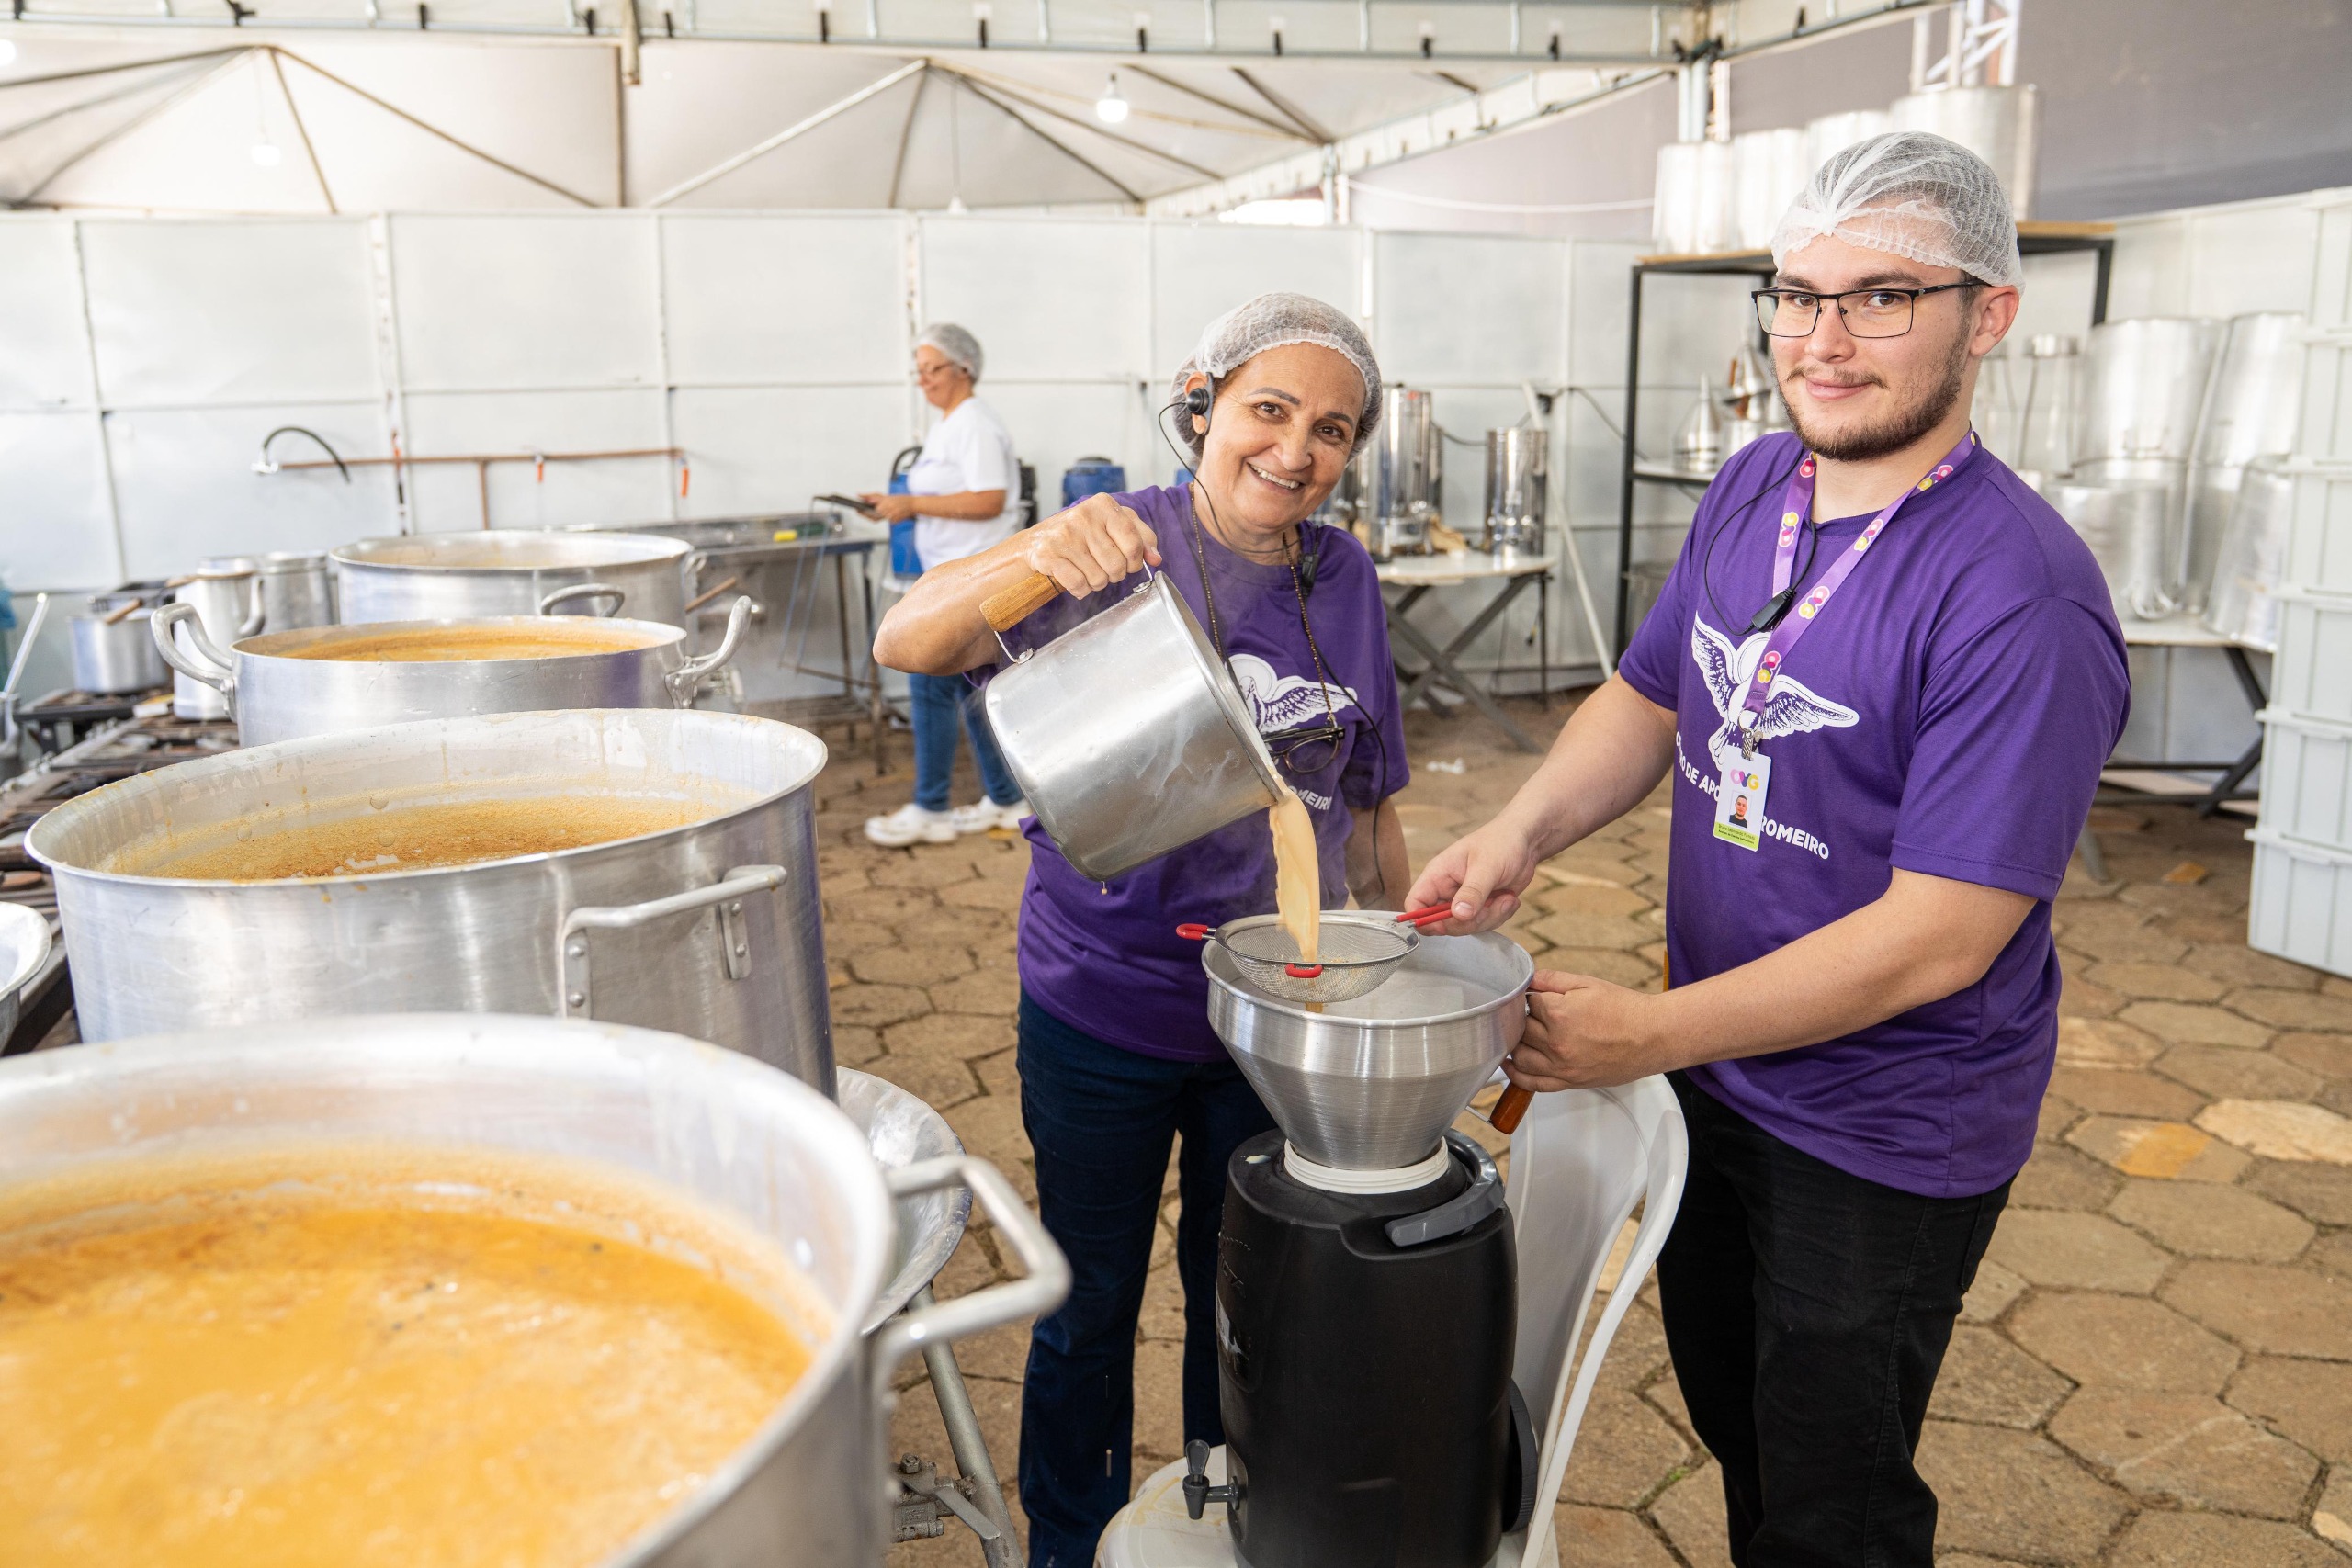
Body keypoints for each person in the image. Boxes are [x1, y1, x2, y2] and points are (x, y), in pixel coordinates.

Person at [1408, 134, 2129, 1566]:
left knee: (1833, 1503)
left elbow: (1941, 934)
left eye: (1882, 297)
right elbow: (1655, 689)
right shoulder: (1758, 484)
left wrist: (1646, 1032)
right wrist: (1520, 828)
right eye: (1796, 294)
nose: (1824, 339)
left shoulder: (2019, 597)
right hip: (1720, 1074)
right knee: (1746, 1434)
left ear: (1989, 313)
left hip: (1879, 1130)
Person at [872, 293, 1411, 1568]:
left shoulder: (1345, 579)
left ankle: (1221, 1514)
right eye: (1268, 410)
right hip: (1099, 1003)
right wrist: (1037, 553)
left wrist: (1398, 959)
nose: (1295, 451)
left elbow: (1372, 802)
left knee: (1246, 1294)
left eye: (1331, 430)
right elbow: (908, 635)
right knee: (1088, 1290)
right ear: (1202, 400)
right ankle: (1071, 1536)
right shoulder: (1119, 539)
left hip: (1273, 1009)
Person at [863, 322, 1031, 847]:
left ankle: (931, 808)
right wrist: (898, 504)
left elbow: (989, 500)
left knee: (929, 686)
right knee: (968, 691)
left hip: (973, 578)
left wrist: (912, 504)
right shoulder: (949, 425)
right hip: (953, 576)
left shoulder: (975, 424)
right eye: (920, 371)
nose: (924, 380)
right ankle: (1006, 799)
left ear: (964, 369)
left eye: (933, 369)